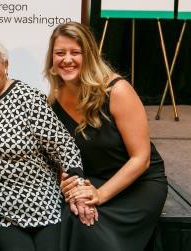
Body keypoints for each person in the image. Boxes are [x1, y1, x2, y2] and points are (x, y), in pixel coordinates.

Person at [44, 21, 168, 251]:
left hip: (138, 183)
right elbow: (60, 156)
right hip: (93, 180)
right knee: (74, 216)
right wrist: (74, 186)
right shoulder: (53, 101)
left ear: (89, 55)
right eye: (60, 53)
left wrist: (99, 195)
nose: (67, 59)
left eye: (75, 52)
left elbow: (141, 159)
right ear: (52, 59)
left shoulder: (117, 91)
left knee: (87, 226)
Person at [0, 33, 84, 251]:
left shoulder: (28, 98)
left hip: (42, 203)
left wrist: (77, 188)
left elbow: (64, 147)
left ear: (5, 64)